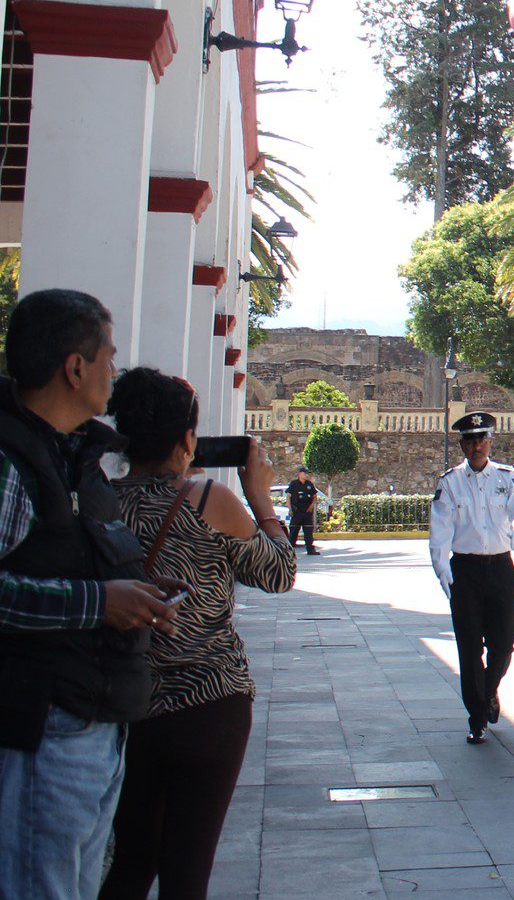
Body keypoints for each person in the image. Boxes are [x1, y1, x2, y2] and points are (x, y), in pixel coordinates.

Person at [0, 290, 181, 900]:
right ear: (74, 368)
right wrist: (98, 603)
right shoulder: (12, 460)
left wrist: (134, 593)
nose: (115, 370)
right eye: (108, 356)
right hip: (40, 721)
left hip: (91, 715)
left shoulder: (77, 459)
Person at [99, 369, 296, 900]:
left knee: (132, 860)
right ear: (187, 439)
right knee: (188, 872)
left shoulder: (98, 504)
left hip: (128, 705)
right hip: (210, 705)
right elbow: (277, 573)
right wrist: (260, 499)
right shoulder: (209, 500)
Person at [428, 412, 514, 744]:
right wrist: (445, 576)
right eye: (470, 441)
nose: (476, 446)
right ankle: (476, 717)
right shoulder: (449, 483)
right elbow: (440, 534)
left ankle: (489, 691)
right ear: (462, 445)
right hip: (467, 571)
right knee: (469, 646)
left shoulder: (507, 476)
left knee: (504, 642)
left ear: (490, 442)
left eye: (481, 440)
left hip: (501, 568)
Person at [283, 468, 322, 555]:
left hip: (307, 512)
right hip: (297, 512)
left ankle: (310, 550)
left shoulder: (309, 484)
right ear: (300, 474)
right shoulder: (294, 484)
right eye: (305, 473)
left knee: (308, 531)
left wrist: (311, 506)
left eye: (307, 474)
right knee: (293, 532)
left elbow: (314, 496)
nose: (307, 475)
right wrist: (290, 509)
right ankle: (289, 551)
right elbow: (288, 496)